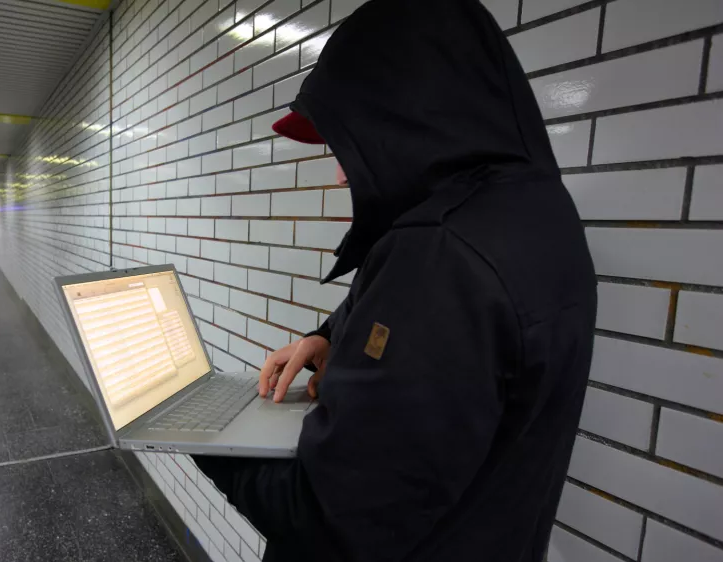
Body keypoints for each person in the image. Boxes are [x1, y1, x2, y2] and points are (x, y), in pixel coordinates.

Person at [192, 1, 597, 561]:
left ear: (404, 115)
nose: (340, 172)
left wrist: (207, 439)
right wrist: (331, 337)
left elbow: (331, 520)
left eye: (346, 141)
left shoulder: (438, 255)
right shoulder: (537, 212)